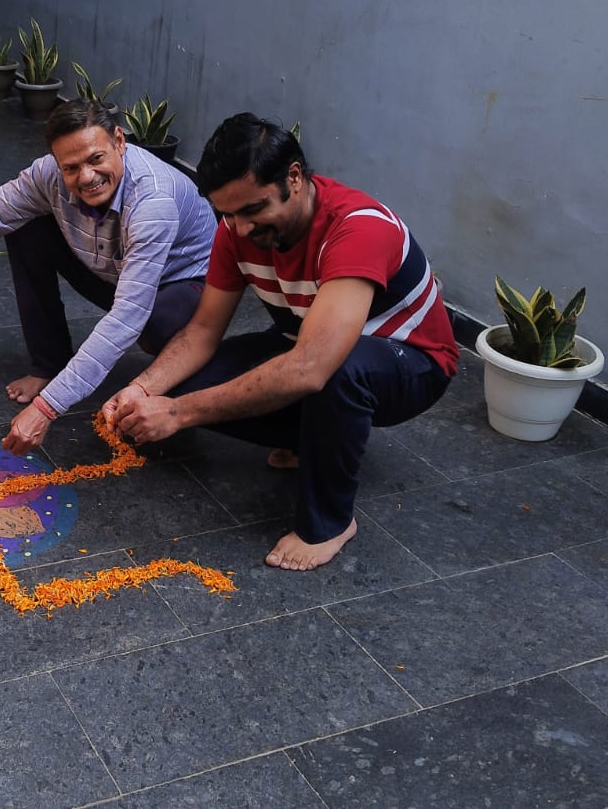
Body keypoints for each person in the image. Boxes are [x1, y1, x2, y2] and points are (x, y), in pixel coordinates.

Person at [104, 113, 458, 571]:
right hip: (307, 346)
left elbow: (311, 367)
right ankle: (312, 437)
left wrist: (177, 414)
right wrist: (144, 390)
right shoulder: (235, 230)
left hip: (411, 363)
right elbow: (202, 331)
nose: (242, 228)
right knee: (181, 383)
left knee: (335, 374)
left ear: (294, 176)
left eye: (253, 209)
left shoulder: (359, 227)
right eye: (228, 213)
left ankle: (329, 524)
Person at [0, 99, 217, 456]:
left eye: (96, 159)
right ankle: (49, 364)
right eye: (71, 167)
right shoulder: (48, 174)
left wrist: (47, 408)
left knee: (154, 323)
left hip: (180, 288)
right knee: (26, 228)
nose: (87, 177)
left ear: (119, 141)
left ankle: (172, 381)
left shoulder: (153, 200)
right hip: (111, 267)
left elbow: (127, 317)